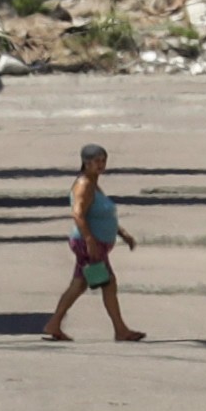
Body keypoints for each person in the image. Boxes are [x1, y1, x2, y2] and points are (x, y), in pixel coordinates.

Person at [42, 143, 144, 342]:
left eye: (103, 160)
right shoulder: (84, 185)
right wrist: (90, 240)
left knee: (79, 285)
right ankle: (121, 330)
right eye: (96, 161)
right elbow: (78, 214)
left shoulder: (93, 183)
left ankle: (54, 323)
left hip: (92, 243)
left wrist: (123, 234)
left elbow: (100, 215)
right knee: (108, 284)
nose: (101, 164)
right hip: (88, 244)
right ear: (86, 163)